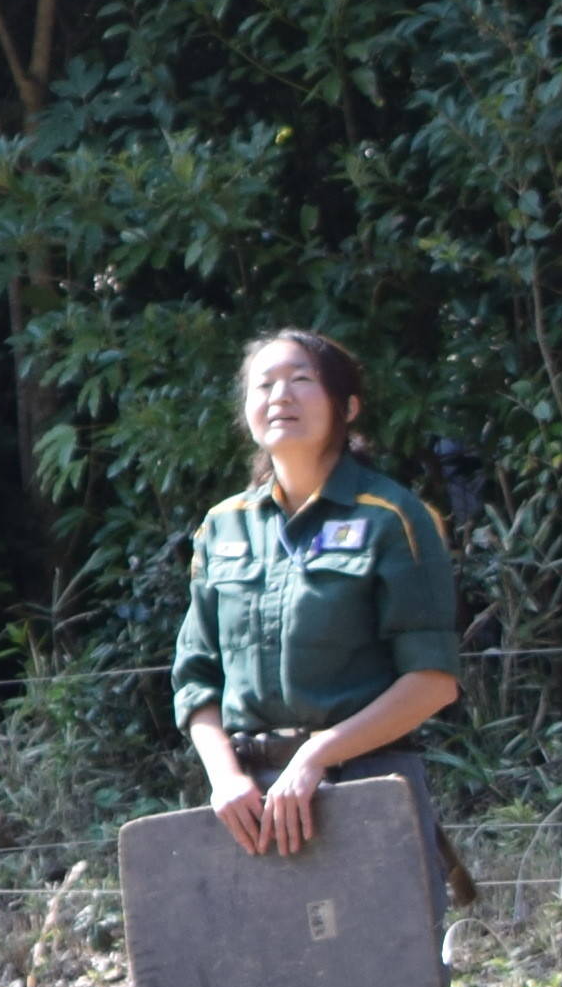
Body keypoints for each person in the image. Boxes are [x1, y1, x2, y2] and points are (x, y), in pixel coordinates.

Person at [167, 327, 463, 860]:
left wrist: (316, 756)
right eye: (264, 385)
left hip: (366, 786)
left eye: (301, 380)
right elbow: (195, 681)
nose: (280, 396)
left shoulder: (394, 517)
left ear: (347, 407)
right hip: (248, 804)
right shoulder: (222, 526)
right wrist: (225, 778)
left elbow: (432, 681)